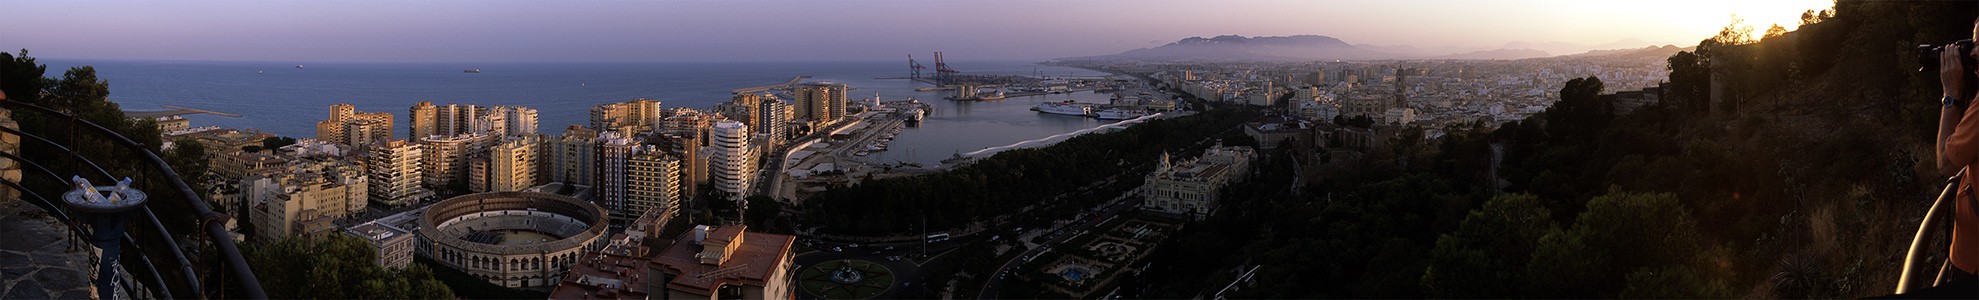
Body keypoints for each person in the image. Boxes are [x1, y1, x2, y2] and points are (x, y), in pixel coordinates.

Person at [1930, 18, 1979, 297]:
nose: (1972, 53)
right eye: (1972, 44)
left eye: (1978, 45)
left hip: (1971, 262)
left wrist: (1951, 94)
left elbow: (1946, 163)